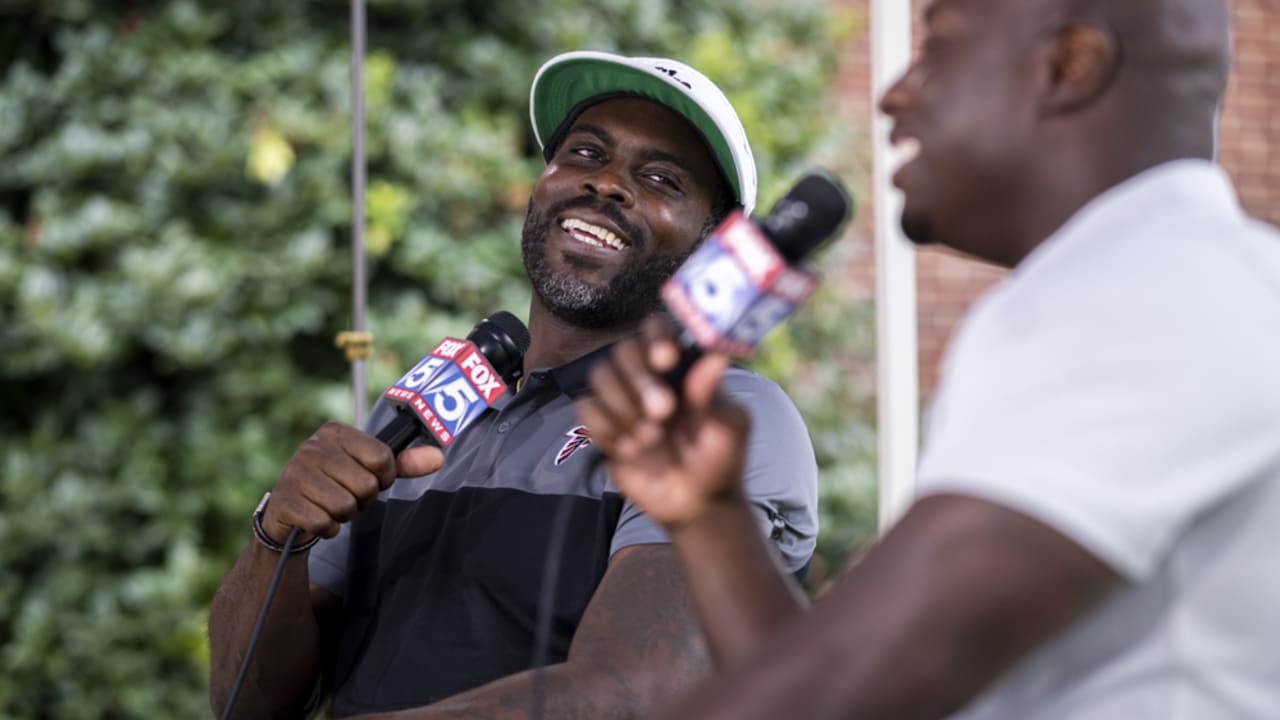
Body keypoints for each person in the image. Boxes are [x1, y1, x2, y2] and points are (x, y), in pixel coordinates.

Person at [578, 0, 1280, 718]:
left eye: (937, 49)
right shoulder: (1159, 283)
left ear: (1070, 66)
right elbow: (840, 676)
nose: (894, 93)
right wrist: (710, 515)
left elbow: (840, 692)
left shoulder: (1154, 292)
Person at [206, 50, 819, 719]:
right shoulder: (421, 412)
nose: (609, 184)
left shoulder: (721, 414)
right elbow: (248, 705)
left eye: (661, 179)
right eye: (586, 153)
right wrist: (278, 534)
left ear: (715, 246)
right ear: (542, 183)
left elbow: (628, 694)